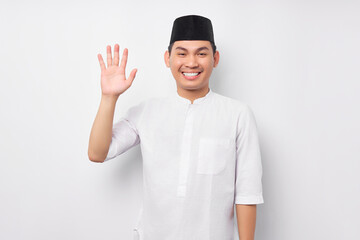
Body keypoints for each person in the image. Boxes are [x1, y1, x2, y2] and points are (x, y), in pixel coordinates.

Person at [88, 15, 264, 240]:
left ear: (215, 58)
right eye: (182, 53)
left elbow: (247, 194)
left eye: (201, 53)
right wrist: (108, 97)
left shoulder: (238, 115)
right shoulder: (146, 111)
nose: (191, 62)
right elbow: (97, 152)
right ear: (167, 58)